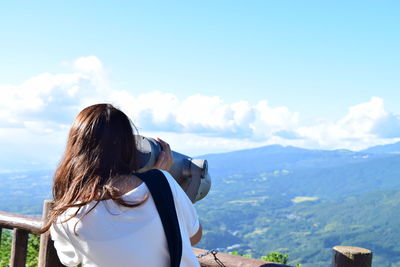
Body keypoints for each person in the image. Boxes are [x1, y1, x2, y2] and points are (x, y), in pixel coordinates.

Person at [40, 103, 202, 267]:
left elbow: (71, 260)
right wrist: (156, 179)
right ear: (129, 145)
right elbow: (193, 235)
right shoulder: (161, 183)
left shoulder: (66, 215)